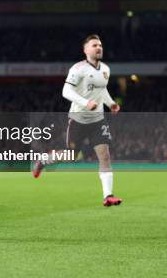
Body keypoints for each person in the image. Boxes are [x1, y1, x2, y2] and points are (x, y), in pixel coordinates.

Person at [33, 34, 122, 207]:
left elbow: (102, 91)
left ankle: (108, 196)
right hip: (78, 120)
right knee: (71, 156)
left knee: (104, 155)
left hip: (98, 120)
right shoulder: (78, 69)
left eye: (100, 45)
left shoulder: (105, 69)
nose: (99, 48)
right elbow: (66, 91)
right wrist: (85, 102)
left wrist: (111, 103)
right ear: (85, 50)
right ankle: (43, 160)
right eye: (95, 45)